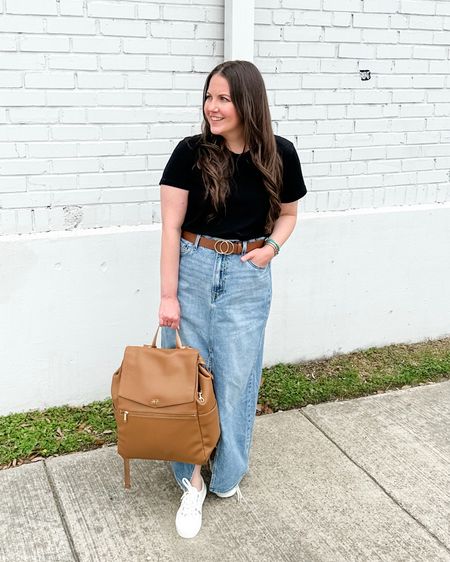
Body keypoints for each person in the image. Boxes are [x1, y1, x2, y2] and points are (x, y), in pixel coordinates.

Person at [158, 60, 307, 539]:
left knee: (238, 380)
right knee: (189, 379)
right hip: (194, 270)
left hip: (247, 275)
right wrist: (167, 297)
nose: (213, 107)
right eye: (209, 97)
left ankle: (227, 476)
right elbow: (169, 228)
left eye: (224, 98)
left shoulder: (279, 154)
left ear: (247, 102)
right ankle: (192, 479)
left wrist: (271, 250)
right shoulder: (190, 153)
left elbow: (288, 214)